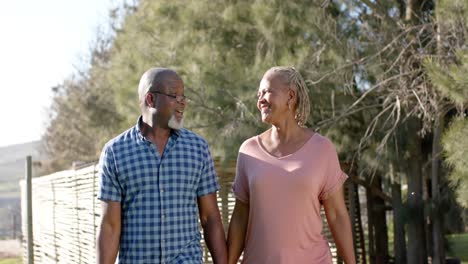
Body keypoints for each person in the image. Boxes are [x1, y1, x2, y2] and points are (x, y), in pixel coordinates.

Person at [96, 68, 227, 264]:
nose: (183, 101)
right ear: (150, 99)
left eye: (183, 96)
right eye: (174, 95)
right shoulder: (115, 152)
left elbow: (210, 218)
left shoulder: (198, 148)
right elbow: (110, 226)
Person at [227, 66, 356, 264]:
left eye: (267, 91)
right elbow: (240, 217)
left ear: (291, 96)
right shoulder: (248, 151)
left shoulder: (322, 149)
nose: (260, 99)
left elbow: (337, 215)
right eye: (259, 94)